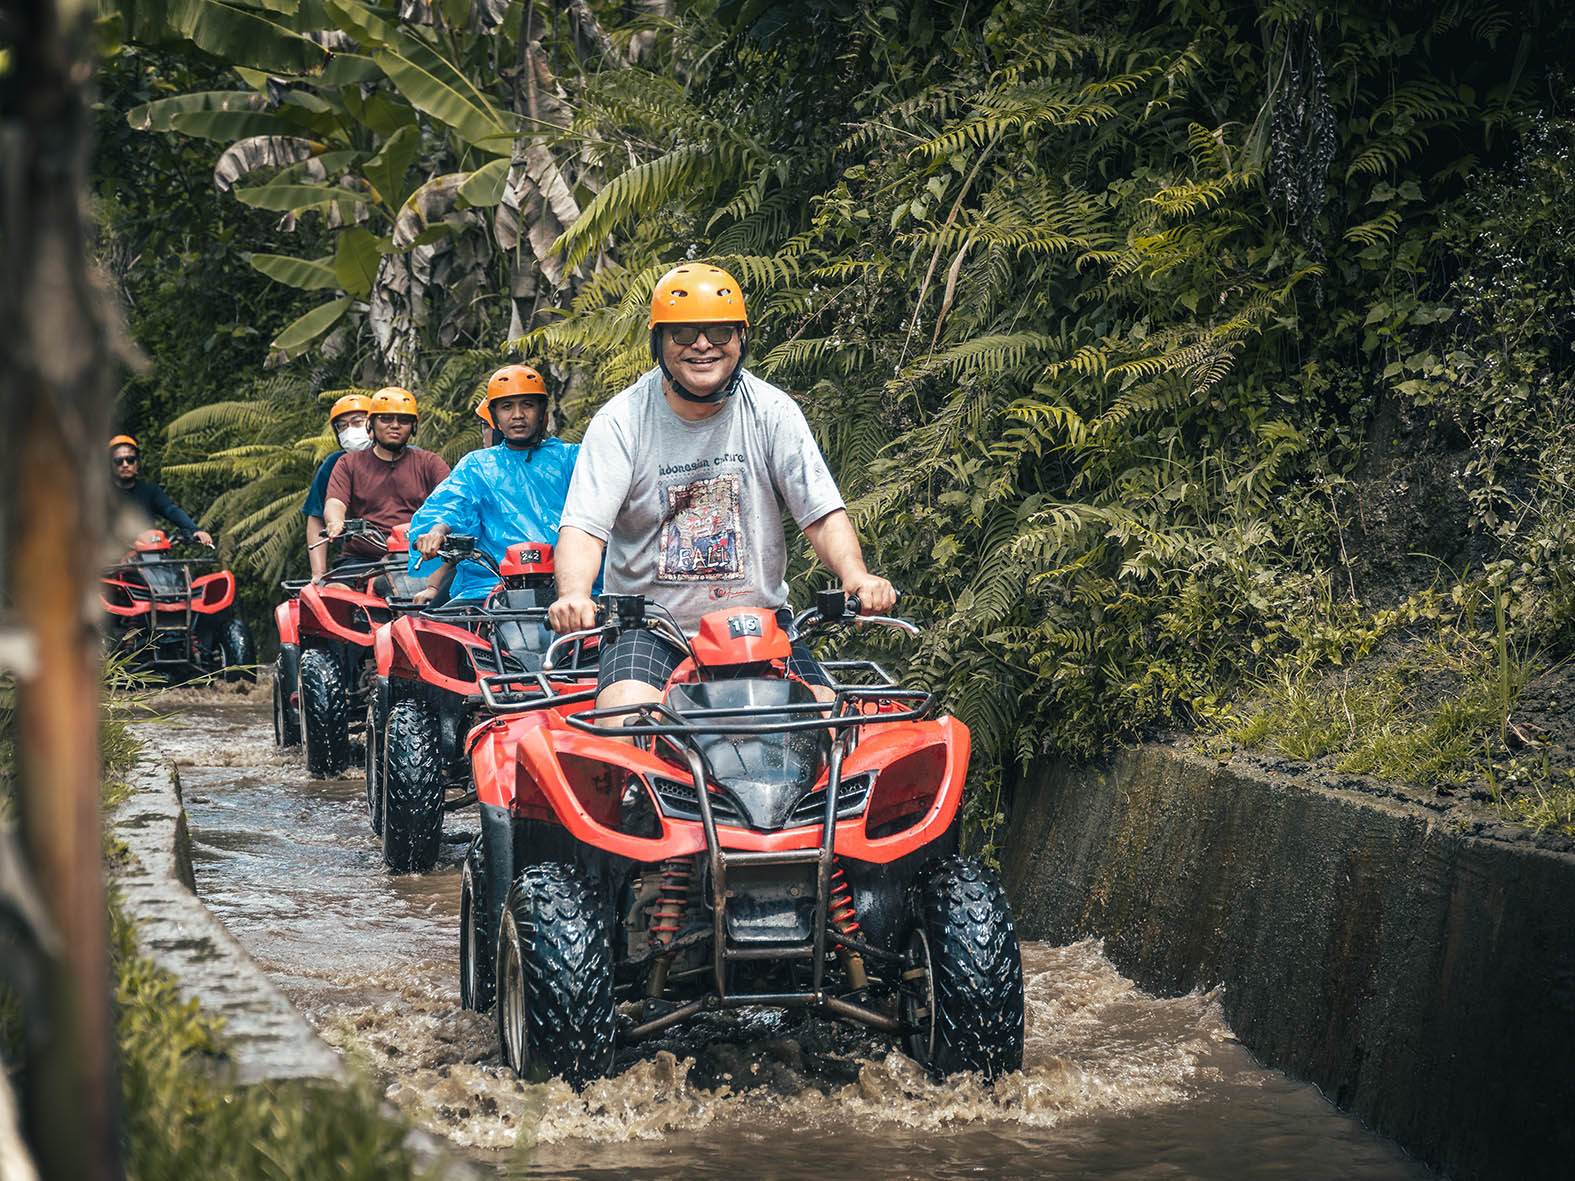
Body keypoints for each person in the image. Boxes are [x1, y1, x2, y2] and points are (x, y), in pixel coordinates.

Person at [546, 263, 895, 714]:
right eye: (684, 333)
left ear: (741, 339)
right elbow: (584, 530)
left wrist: (856, 576)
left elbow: (822, 514)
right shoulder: (621, 422)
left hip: (759, 629)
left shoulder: (772, 411)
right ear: (659, 342)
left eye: (719, 331)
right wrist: (573, 593)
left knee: (830, 727)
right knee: (627, 726)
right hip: (650, 631)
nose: (703, 344)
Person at [407, 364, 580, 606]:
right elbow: (452, 504)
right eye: (507, 406)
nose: (517, 414)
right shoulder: (476, 465)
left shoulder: (572, 459)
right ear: (495, 414)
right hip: (488, 588)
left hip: (568, 589)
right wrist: (437, 531)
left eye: (527, 405)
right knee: (435, 634)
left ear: (542, 412)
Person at [323, 387, 450, 560]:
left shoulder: (430, 463)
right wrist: (335, 521)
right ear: (371, 424)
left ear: (413, 427)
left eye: (404, 420)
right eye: (386, 419)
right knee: (337, 587)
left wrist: (438, 530)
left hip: (421, 555)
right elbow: (336, 502)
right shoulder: (348, 464)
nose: (395, 425)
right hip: (362, 558)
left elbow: (452, 503)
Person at [302, 393, 373, 580]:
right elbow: (316, 516)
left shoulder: (415, 459)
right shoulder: (335, 463)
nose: (350, 431)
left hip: (408, 552)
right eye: (342, 426)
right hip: (358, 558)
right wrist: (318, 573)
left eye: (357, 422)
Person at [109, 435, 213, 547]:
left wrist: (194, 529)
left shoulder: (149, 490)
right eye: (119, 461)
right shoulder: (102, 494)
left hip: (150, 552)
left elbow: (170, 510)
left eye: (130, 460)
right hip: (113, 556)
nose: (125, 465)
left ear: (137, 462)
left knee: (181, 565)